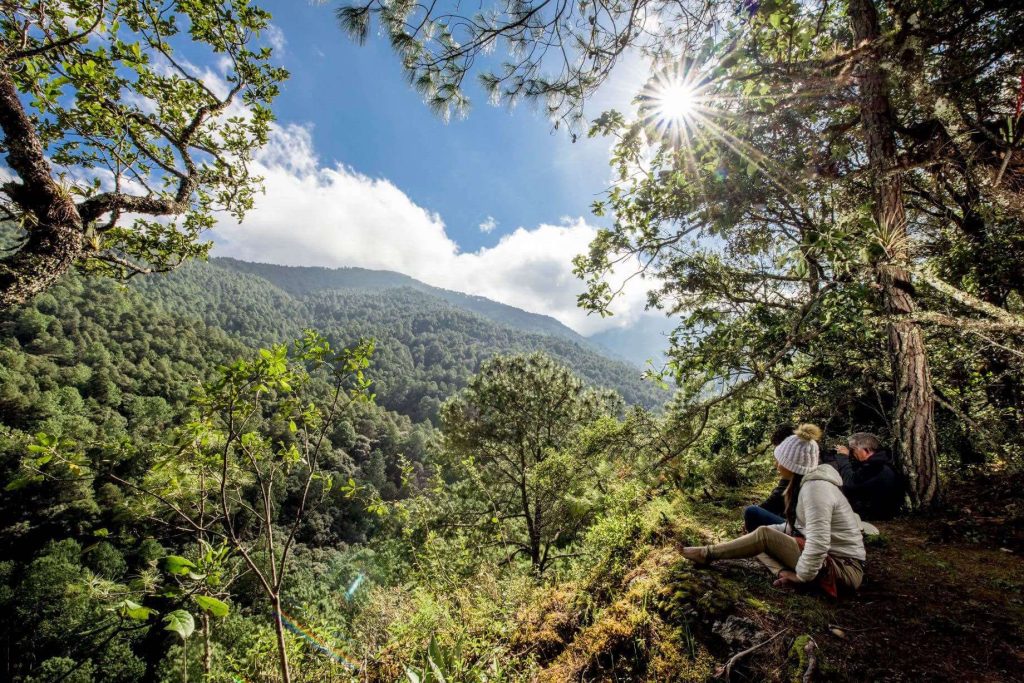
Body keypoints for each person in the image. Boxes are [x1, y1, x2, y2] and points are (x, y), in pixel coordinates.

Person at [682, 424, 866, 597]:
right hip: (834, 562)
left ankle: (707, 554)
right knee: (756, 539)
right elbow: (797, 528)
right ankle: (783, 572)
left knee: (762, 535)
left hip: (844, 569)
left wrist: (802, 577)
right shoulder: (804, 485)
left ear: (791, 463)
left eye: (779, 459)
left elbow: (819, 542)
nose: (776, 464)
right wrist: (763, 536)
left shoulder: (815, 489)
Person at [822, 432, 903, 520]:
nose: (852, 454)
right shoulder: (883, 462)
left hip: (875, 514)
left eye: (854, 450)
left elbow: (850, 482)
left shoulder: (876, 466)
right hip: (879, 510)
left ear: (866, 450)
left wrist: (843, 457)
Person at [742, 423, 796, 532]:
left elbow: (776, 499)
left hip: (804, 534)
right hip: (800, 528)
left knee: (752, 512)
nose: (776, 464)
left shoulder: (798, 469)